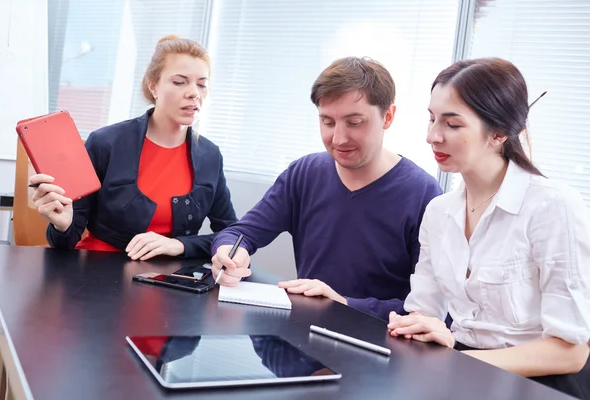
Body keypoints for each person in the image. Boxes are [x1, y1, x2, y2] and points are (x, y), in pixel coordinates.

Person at [387, 58, 590, 399]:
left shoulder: (553, 207)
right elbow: (423, 309)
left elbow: (570, 352)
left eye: (452, 124)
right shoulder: (439, 212)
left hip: (543, 386)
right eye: (432, 118)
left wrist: (461, 358)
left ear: (498, 133)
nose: (432, 136)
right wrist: (417, 327)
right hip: (463, 370)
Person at [211, 57, 442, 319]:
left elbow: (432, 311)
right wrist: (228, 253)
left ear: (387, 117)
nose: (338, 139)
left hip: (382, 344)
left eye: (354, 123)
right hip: (306, 337)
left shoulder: (423, 194)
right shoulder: (304, 173)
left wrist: (343, 303)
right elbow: (243, 233)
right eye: (327, 122)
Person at [30, 35, 237, 260]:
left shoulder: (211, 156)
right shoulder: (105, 142)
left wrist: (179, 245)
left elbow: (232, 235)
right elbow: (64, 241)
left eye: (202, 84)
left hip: (169, 280)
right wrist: (63, 225)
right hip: (98, 272)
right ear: (153, 86)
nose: (194, 93)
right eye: (179, 82)